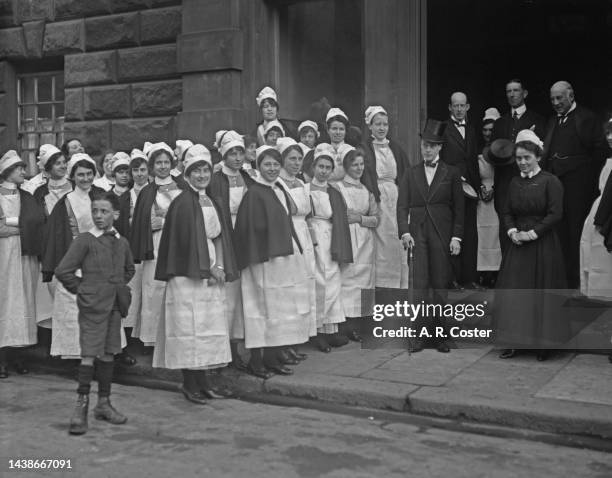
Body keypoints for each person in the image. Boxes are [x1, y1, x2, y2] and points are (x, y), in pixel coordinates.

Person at [153, 144, 237, 403]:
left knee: (207, 329)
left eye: (205, 170)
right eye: (196, 171)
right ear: (187, 174)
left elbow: (219, 235)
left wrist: (219, 265)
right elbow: (186, 243)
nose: (201, 175)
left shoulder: (212, 200)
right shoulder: (182, 203)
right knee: (189, 329)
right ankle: (189, 384)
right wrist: (207, 269)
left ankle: (204, 383)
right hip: (187, 275)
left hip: (209, 268)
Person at [55, 191, 135, 435]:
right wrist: (84, 291)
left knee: (109, 354)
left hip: (113, 308)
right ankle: (81, 407)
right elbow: (63, 271)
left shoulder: (121, 242)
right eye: (95, 211)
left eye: (104, 211)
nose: (98, 216)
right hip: (92, 308)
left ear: (116, 214)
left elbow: (129, 269)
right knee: (89, 355)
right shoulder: (85, 240)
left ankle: (104, 403)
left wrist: (116, 286)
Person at [234, 145, 312, 377]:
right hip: (261, 261)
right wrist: (256, 257)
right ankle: (256, 362)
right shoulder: (253, 194)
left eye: (276, 164)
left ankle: (272, 357)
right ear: (258, 166)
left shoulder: (277, 189)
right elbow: (247, 230)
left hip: (280, 261)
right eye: (267, 164)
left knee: (277, 311)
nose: (272, 168)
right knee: (259, 310)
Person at [495, 130, 567, 361]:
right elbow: (506, 211)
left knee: (541, 293)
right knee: (516, 293)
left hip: (542, 243)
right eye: (518, 159)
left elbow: (556, 214)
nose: (523, 163)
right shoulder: (514, 183)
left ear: (538, 156)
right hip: (518, 244)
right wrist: (512, 231)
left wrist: (533, 234)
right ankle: (514, 341)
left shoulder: (550, 181)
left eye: (527, 157)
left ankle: (543, 345)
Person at [397, 119, 464, 353]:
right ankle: (416, 336)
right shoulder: (410, 173)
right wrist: (404, 231)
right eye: (425, 144)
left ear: (440, 148)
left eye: (432, 145)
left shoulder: (451, 173)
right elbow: (401, 206)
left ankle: (440, 336)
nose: (427, 149)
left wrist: (457, 237)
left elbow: (459, 208)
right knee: (419, 286)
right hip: (417, 235)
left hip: (442, 235)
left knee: (439, 286)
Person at [542, 81, 607, 289]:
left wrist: (582, 174)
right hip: (556, 184)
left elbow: (599, 152)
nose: (556, 102)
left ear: (571, 96)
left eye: (559, 98)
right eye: (552, 99)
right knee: (557, 229)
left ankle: (575, 279)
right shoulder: (552, 121)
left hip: (579, 187)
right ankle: (560, 278)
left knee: (575, 231)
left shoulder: (588, 118)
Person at [42, 153, 107, 359]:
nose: (86, 178)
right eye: (80, 175)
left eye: (89, 174)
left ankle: (99, 355)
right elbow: (56, 236)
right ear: (73, 176)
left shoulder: (103, 196)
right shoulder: (65, 202)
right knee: (75, 309)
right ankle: (77, 357)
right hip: (76, 261)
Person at [129, 142, 183, 351]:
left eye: (166, 162)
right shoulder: (147, 192)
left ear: (172, 163)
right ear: (152, 166)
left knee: (177, 287)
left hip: (179, 242)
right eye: (158, 162)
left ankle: (176, 335)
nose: (162, 166)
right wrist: (149, 224)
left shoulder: (183, 187)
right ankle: (152, 339)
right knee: (154, 288)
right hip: (157, 244)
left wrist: (166, 220)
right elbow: (142, 221)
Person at [207, 131, 254, 371]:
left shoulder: (248, 177)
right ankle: (224, 348)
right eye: (232, 153)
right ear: (223, 155)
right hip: (225, 237)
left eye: (240, 153)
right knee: (228, 295)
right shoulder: (215, 180)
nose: (237, 158)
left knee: (244, 295)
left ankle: (238, 343)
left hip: (245, 237)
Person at [0, 150, 45, 378]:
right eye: (19, 168)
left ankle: (18, 356)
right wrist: (19, 227)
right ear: (8, 171)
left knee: (23, 302)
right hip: (3, 258)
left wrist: (9, 225)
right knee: (4, 301)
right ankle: (1, 359)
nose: (23, 172)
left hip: (24, 256)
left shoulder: (27, 197)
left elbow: (37, 223)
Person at [307, 144, 353, 352]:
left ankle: (331, 329)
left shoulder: (334, 192)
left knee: (333, 281)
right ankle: (316, 331)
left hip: (330, 235)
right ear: (314, 167)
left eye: (328, 167)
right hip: (314, 234)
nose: (324, 171)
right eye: (321, 166)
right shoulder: (306, 189)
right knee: (318, 282)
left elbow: (340, 217)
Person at [492, 80, 546, 252]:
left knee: (528, 225)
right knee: (505, 230)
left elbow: (542, 153)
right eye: (509, 91)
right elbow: (492, 154)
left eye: (516, 90)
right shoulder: (500, 123)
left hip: (529, 183)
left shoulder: (538, 120)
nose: (512, 94)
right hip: (504, 184)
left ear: (525, 93)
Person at [360, 105, 410, 289]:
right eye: (378, 124)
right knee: (379, 242)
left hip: (395, 197)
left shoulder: (395, 148)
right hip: (376, 197)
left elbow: (405, 173)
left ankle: (398, 285)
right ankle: (380, 285)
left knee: (396, 241)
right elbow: (363, 174)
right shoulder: (364, 148)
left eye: (385, 124)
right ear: (370, 126)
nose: (382, 128)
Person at [276, 137, 315, 360]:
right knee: (288, 291)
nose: (296, 163)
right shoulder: (278, 184)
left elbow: (306, 213)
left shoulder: (301, 183)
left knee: (303, 289)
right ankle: (284, 342)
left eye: (300, 159)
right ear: (282, 160)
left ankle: (297, 339)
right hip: (289, 235)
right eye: (292, 158)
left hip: (305, 238)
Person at [336, 146, 379, 341]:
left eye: (361, 164)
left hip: (365, 241)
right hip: (347, 238)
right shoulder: (338, 188)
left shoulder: (366, 190)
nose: (359, 168)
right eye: (354, 164)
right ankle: (346, 323)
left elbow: (376, 219)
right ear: (346, 166)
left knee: (364, 281)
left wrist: (360, 219)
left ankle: (362, 322)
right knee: (347, 280)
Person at [440, 92, 481, 290]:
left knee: (470, 232)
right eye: (455, 105)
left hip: (471, 188)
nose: (458, 109)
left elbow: (472, 160)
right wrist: (455, 177)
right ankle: (451, 279)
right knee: (453, 232)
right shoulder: (443, 128)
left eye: (462, 105)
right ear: (450, 107)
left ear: (467, 107)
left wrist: (478, 184)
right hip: (451, 187)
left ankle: (469, 278)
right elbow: (439, 160)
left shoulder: (472, 129)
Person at [114, 149, 150, 357]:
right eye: (135, 170)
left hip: (151, 249)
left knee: (151, 293)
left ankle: (148, 338)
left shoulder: (154, 192)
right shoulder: (124, 197)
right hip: (131, 251)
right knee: (132, 294)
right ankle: (129, 340)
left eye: (142, 169)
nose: (139, 174)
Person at [31, 144, 70, 330]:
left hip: (72, 247)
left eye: (64, 162)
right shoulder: (40, 193)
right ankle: (53, 343)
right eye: (57, 164)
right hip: (50, 250)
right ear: (47, 169)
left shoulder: (75, 188)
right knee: (52, 292)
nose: (63, 166)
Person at [582, 119, 612, 299]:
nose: (609, 137)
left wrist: (601, 219)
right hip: (601, 208)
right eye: (608, 132)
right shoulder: (608, 161)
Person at [477, 108, 502, 287]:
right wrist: (480, 188)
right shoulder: (478, 149)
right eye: (485, 130)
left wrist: (494, 188)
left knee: (496, 233)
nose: (487, 134)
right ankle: (483, 271)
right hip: (481, 194)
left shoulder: (502, 149)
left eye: (491, 130)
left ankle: (496, 271)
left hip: (498, 192)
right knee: (482, 233)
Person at [325, 108, 353, 183]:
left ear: (345, 131)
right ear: (328, 130)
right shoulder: (322, 150)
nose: (338, 132)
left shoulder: (351, 151)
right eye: (334, 128)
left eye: (341, 129)